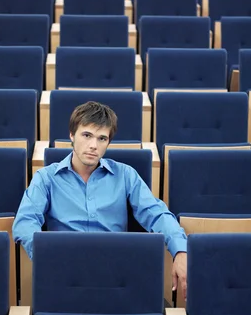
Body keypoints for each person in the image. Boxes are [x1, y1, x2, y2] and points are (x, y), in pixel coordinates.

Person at [12, 101, 188, 300]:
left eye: (102, 138)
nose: (93, 145)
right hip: (65, 274)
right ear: (72, 135)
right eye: (86, 135)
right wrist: (52, 258)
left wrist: (180, 250)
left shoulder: (126, 175)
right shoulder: (46, 178)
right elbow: (25, 223)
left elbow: (156, 214)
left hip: (117, 274)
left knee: (160, 313)